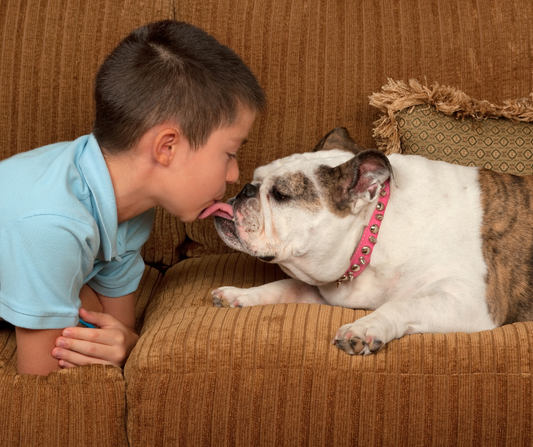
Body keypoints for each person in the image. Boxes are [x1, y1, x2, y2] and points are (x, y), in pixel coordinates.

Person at [0, 20, 265, 375]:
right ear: (167, 147)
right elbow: (42, 380)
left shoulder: (131, 206)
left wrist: (129, 344)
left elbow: (116, 329)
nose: (234, 174)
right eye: (230, 153)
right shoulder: (52, 224)